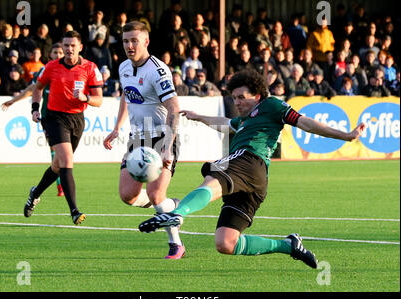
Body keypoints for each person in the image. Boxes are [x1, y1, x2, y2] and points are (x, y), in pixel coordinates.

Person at [138, 69, 366, 268]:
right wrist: (198, 117)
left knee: (213, 178)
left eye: (241, 97)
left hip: (248, 160)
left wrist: (346, 136)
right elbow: (225, 123)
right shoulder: (245, 120)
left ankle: (176, 214)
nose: (236, 102)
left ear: (257, 95)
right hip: (256, 181)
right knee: (226, 242)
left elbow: (305, 122)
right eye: (234, 98)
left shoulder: (272, 105)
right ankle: (289, 245)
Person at [102, 21, 184, 259]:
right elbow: (126, 96)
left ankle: (175, 243)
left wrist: (168, 147)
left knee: (156, 194)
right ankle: (171, 208)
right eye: (126, 41)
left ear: (146, 42)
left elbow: (174, 108)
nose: (129, 45)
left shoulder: (158, 71)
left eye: (134, 40)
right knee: (128, 196)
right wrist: (117, 128)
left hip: (161, 137)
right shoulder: (124, 67)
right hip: (137, 138)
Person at [23, 31, 104, 225]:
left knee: (58, 166)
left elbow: (99, 100)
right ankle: (74, 210)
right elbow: (38, 88)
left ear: (80, 47)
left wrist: (85, 98)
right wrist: (35, 109)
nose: (68, 49)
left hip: (77, 119)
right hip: (54, 118)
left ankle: (36, 192)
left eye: (72, 46)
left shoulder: (90, 68)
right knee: (67, 160)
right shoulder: (50, 67)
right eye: (65, 46)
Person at [1, 43, 65, 196]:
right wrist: (14, 100)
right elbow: (32, 89)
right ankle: (60, 185)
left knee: (63, 153)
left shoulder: (70, 71)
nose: (58, 55)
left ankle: (60, 182)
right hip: (49, 117)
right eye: (55, 52)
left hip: (67, 116)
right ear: (50, 55)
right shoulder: (45, 70)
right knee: (55, 150)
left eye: (60, 52)